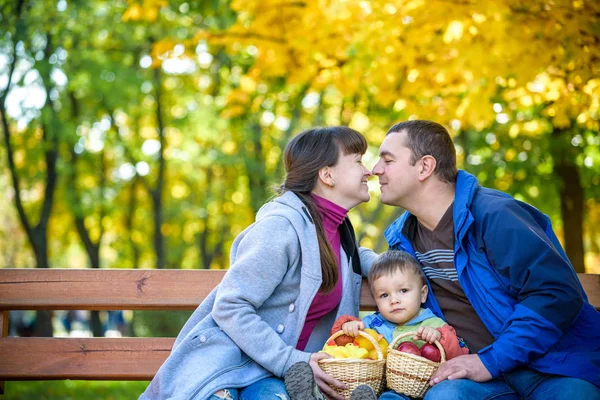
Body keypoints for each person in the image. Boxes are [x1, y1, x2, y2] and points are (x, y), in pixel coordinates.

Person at [139, 126, 377, 400]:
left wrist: (392, 267)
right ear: (327, 174)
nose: (368, 170)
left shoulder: (336, 232)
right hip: (235, 367)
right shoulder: (280, 228)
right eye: (358, 161)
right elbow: (230, 306)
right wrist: (290, 360)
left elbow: (357, 258)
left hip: (278, 375)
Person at [371, 120, 600, 399]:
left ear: (424, 167)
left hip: (554, 367)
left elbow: (556, 293)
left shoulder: (495, 216)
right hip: (477, 380)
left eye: (388, 160)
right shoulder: (403, 240)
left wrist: (490, 361)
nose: (375, 169)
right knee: (445, 397)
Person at [288, 250, 469, 400]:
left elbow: (460, 353)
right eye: (384, 295)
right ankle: (313, 395)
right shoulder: (372, 324)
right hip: (364, 388)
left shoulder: (433, 324)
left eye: (403, 291)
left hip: (410, 393)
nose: (394, 300)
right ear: (376, 300)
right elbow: (344, 344)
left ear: (422, 294)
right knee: (344, 387)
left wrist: (440, 339)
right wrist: (348, 327)